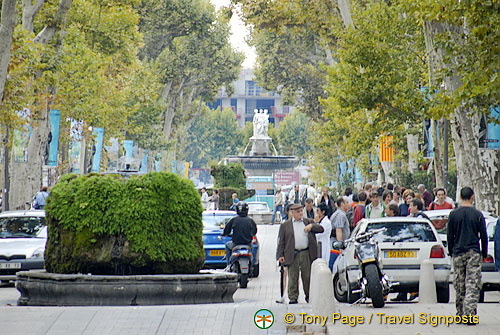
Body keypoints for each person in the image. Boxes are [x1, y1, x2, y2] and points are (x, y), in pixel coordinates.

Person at [447, 187, 487, 324]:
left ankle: (459, 313)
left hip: (458, 252)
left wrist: (451, 251)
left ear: (460, 196)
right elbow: (484, 236)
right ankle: (469, 313)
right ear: (472, 197)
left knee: (459, 284)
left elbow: (449, 236)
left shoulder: (453, 214)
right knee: (472, 283)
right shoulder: (477, 214)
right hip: (473, 251)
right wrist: (484, 252)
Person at [278, 203, 324, 304]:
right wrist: (280, 255)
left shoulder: (308, 222)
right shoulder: (286, 225)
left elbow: (321, 229)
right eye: (297, 212)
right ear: (292, 213)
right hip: (292, 253)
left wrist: (312, 226)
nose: (300, 213)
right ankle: (293, 297)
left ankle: (309, 295)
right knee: (292, 276)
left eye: (301, 211)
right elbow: (282, 241)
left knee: (307, 276)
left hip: (306, 252)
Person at [222, 202, 258, 266]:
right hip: (248, 244)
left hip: (235, 244)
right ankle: (252, 264)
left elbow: (227, 230)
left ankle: (228, 264)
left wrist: (225, 234)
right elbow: (254, 231)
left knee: (227, 245)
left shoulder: (234, 220)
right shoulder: (250, 220)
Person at [276, 204, 293, 303]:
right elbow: (280, 240)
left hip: (295, 253)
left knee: (294, 276)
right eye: (291, 210)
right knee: (284, 273)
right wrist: (279, 255)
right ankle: (282, 295)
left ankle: (294, 294)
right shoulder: (284, 224)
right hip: (286, 252)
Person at [329, 197, 351, 270]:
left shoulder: (340, 214)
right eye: (347, 202)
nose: (348, 204)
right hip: (336, 246)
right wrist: (340, 246)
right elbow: (338, 230)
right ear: (342, 204)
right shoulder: (340, 215)